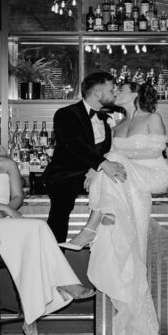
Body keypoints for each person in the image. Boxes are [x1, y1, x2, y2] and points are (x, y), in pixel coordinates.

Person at [64, 80, 168, 335]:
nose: (115, 92)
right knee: (130, 246)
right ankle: (107, 215)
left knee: (113, 163)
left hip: (153, 175)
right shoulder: (116, 125)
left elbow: (155, 152)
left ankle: (92, 225)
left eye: (120, 89)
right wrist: (97, 168)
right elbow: (109, 160)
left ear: (134, 94)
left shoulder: (152, 117)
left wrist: (105, 164)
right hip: (127, 183)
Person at [0, 122, 96, 335]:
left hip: (3, 220)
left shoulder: (8, 164)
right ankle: (67, 283)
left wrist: (5, 211)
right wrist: (3, 208)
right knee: (37, 226)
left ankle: (31, 315)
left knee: (30, 250)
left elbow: (18, 197)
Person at [43, 71, 125, 242]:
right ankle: (53, 257)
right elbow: (75, 145)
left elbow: (107, 150)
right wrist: (102, 164)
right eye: (111, 90)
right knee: (61, 209)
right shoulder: (66, 114)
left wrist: (97, 169)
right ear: (97, 93)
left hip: (95, 174)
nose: (114, 94)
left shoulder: (106, 118)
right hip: (66, 175)